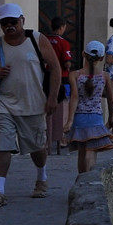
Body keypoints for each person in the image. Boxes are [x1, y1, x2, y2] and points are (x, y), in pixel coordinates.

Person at [0, 4, 62, 208]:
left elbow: (55, 68)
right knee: (2, 145)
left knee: (37, 147)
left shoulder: (37, 39)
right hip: (4, 104)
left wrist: (52, 97)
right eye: (4, 23)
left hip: (33, 104)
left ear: (22, 20)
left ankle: (41, 177)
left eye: (13, 22)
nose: (9, 26)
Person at [66, 41, 113, 173]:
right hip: (96, 118)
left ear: (84, 54)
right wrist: (111, 118)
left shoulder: (75, 75)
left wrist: (69, 121)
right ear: (101, 58)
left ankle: (81, 178)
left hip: (79, 118)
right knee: (91, 151)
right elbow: (111, 100)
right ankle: (88, 177)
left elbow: (74, 97)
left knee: (82, 152)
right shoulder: (105, 76)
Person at [45, 15, 73, 154]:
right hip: (62, 78)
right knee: (63, 109)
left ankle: (47, 140)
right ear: (62, 27)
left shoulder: (44, 40)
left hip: (46, 77)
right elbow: (66, 63)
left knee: (46, 110)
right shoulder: (64, 43)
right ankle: (61, 139)